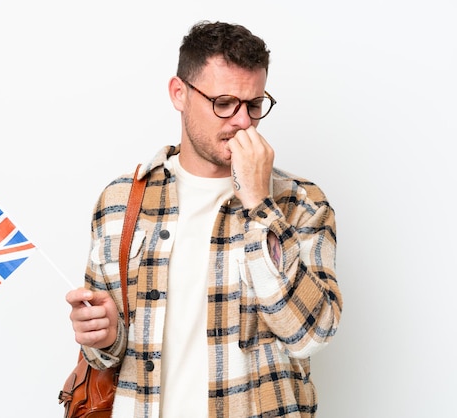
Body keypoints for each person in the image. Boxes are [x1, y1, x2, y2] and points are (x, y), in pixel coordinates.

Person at [66, 20, 342, 418]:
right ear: (179, 93)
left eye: (254, 105)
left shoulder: (302, 203)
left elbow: (312, 334)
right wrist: (103, 336)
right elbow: (103, 356)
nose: (243, 121)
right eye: (225, 103)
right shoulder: (121, 201)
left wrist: (258, 202)